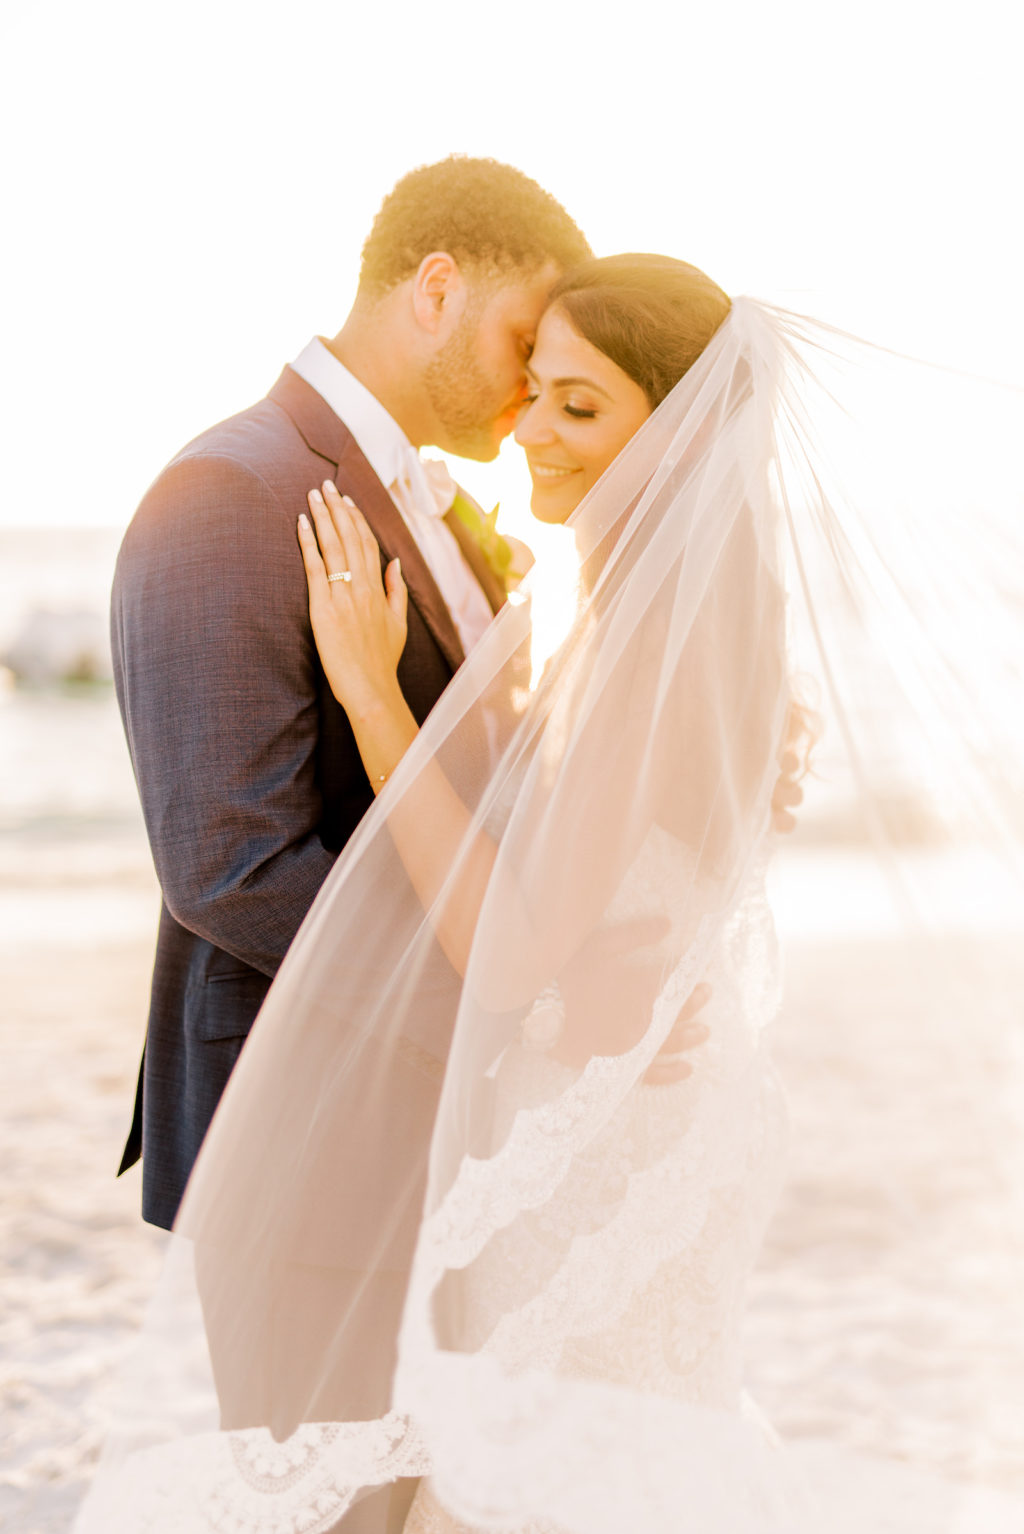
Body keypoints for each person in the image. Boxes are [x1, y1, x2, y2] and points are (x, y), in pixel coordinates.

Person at [76, 259, 1023, 1533]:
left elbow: (515, 950)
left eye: (576, 404)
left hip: (598, 1140)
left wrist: (374, 699)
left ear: (675, 432)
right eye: (536, 391)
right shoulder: (681, 619)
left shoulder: (647, 649)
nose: (525, 426)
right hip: (622, 1119)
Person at [110, 156, 593, 1232]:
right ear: (436, 291)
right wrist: (496, 1011)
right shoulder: (230, 489)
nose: (533, 385)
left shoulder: (441, 506)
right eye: (523, 342)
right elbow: (231, 870)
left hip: (441, 1131)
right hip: (296, 1130)